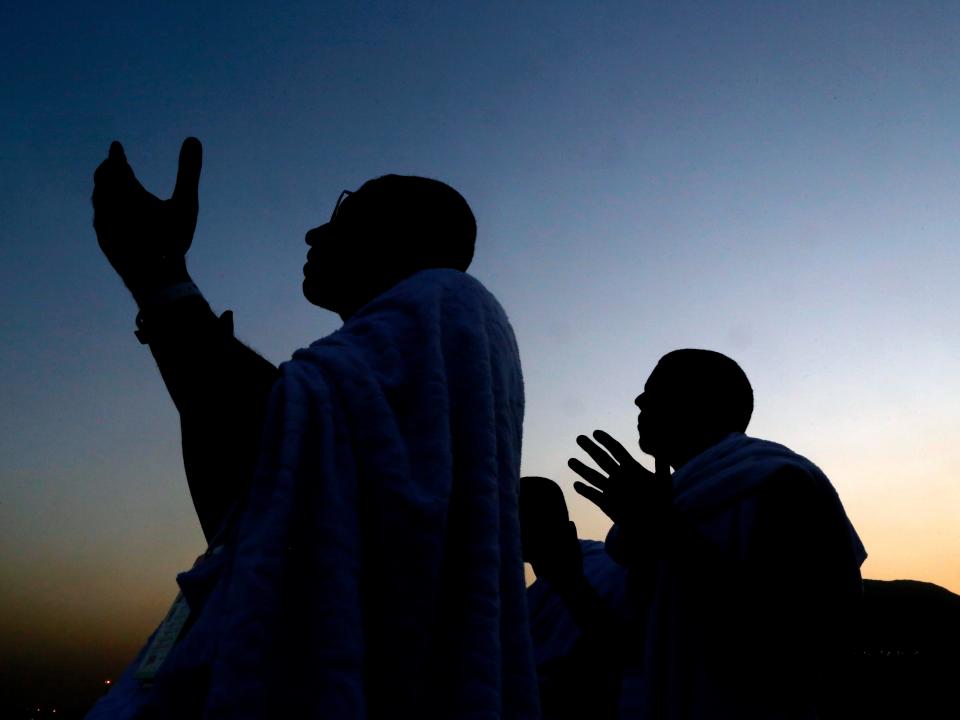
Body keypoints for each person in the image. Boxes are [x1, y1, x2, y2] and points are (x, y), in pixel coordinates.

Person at [87, 138, 539, 719]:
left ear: (400, 233)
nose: (313, 234)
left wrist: (162, 279)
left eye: (343, 213)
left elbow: (265, 438)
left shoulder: (445, 298)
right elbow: (251, 508)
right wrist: (190, 346)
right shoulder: (408, 346)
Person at [524, 349, 866, 718]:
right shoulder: (673, 503)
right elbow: (634, 653)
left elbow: (801, 636)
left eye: (656, 389)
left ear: (706, 402)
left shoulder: (779, 480)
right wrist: (570, 581)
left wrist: (663, 529)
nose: (639, 400)